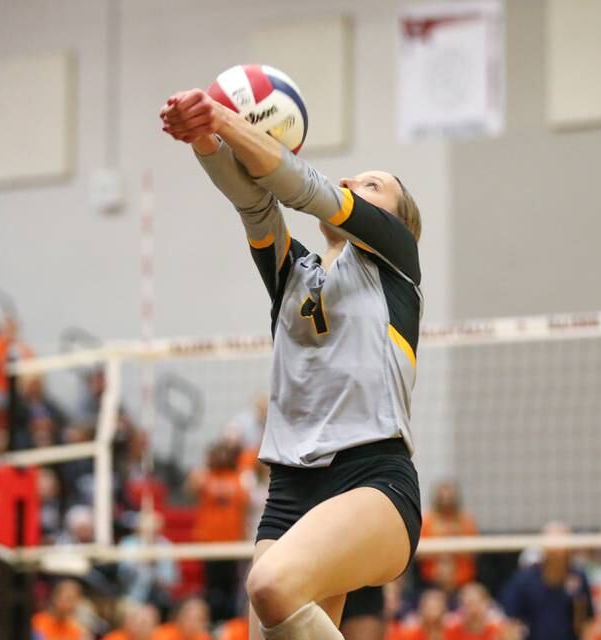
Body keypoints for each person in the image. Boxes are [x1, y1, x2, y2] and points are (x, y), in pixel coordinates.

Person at [161, 84, 423, 640]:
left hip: (372, 478)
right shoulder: (292, 275)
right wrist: (204, 139)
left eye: (371, 185)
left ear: (395, 222)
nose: (350, 183)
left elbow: (304, 188)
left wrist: (223, 118)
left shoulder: (396, 258)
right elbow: (254, 203)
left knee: (269, 584)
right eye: (353, 178)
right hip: (289, 488)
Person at [187, 439, 249, 623]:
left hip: (231, 542)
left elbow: (244, 508)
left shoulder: (238, 478)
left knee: (230, 588)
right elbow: (190, 489)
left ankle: (228, 623)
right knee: (212, 588)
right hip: (209, 541)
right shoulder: (205, 476)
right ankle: (212, 621)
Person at [500, 522, 594, 640]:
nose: (556, 551)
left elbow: (585, 623)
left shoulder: (578, 577)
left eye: (560, 545)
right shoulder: (525, 579)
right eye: (552, 545)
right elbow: (510, 622)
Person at [419, 481, 478, 596]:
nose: (446, 502)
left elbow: (473, 552)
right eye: (442, 498)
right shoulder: (427, 521)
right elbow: (420, 553)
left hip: (463, 582)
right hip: (431, 582)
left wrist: (455, 539)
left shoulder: (466, 521)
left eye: (450, 498)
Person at [117, 510, 180, 616]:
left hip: (158, 599)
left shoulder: (165, 546)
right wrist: (140, 562)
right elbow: (122, 575)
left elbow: (171, 579)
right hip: (132, 596)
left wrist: (156, 566)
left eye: (153, 530)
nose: (149, 533)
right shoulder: (128, 544)